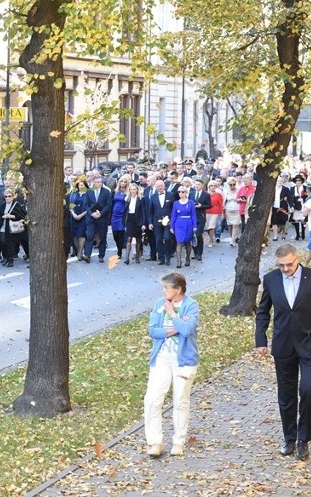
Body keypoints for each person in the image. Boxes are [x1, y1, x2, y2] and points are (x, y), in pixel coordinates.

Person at [255, 243, 311, 460]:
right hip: (283, 345)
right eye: (281, 265)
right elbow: (263, 311)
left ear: (298, 258)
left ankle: (304, 439)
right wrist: (260, 340)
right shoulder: (271, 279)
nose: (285, 269)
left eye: (289, 264)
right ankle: (289, 439)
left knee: (309, 390)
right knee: (286, 395)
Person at [143, 271, 199, 458]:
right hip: (161, 358)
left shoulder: (191, 305)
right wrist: (173, 329)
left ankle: (178, 441)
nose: (163, 291)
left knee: (180, 401)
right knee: (152, 399)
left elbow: (187, 329)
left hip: (183, 360)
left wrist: (172, 314)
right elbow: (152, 331)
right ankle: (154, 442)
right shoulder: (159, 304)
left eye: (166, 287)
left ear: (178, 289)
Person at [82, 176, 112, 263]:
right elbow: (86, 205)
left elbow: (108, 205)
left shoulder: (106, 192)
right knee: (90, 236)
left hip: (102, 218)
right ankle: (87, 255)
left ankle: (101, 255)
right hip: (91, 218)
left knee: (102, 236)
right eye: (97, 182)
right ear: (94, 183)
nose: (99, 183)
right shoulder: (89, 191)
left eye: (100, 182)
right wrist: (91, 214)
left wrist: (100, 213)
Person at [170, 185, 197, 269]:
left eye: (182, 192)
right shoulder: (176, 203)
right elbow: (173, 215)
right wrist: (172, 226)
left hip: (188, 223)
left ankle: (188, 258)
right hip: (179, 223)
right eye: (179, 192)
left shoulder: (190, 202)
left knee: (188, 241)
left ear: (186, 193)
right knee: (179, 241)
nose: (180, 193)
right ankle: (178, 261)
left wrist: (194, 225)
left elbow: (193, 215)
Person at [0, 189, 26, 267]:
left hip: (11, 228)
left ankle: (10, 261)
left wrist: (11, 216)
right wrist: (3, 216)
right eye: (6, 196)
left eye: (9, 196)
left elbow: (22, 215)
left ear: (13, 197)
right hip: (3, 227)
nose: (7, 198)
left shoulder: (16, 205)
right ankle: (5, 258)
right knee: (2, 243)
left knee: (10, 244)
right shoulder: (2, 205)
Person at [122, 182, 146, 264]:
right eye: (131, 189)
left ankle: (137, 257)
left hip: (138, 220)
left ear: (137, 190)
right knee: (129, 238)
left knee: (138, 239)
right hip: (129, 219)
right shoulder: (126, 198)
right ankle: (127, 258)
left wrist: (143, 223)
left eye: (134, 189)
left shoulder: (141, 198)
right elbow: (125, 211)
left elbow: (143, 211)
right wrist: (124, 222)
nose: (133, 191)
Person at [68, 179, 89, 259]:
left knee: (81, 234)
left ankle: (80, 253)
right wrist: (73, 214)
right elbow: (70, 205)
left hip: (83, 216)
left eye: (82, 185)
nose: (81, 186)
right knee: (74, 235)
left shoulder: (88, 194)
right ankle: (77, 249)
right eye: (79, 185)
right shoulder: (73, 193)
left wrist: (81, 215)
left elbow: (89, 207)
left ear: (85, 185)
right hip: (74, 215)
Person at [270, 176, 291, 241]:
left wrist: (291, 206)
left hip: (283, 207)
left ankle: (283, 233)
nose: (280, 182)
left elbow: (289, 199)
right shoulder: (272, 189)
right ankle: (275, 236)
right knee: (274, 222)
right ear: (276, 182)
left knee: (282, 222)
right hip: (274, 207)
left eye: (281, 181)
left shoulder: (286, 189)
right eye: (278, 181)